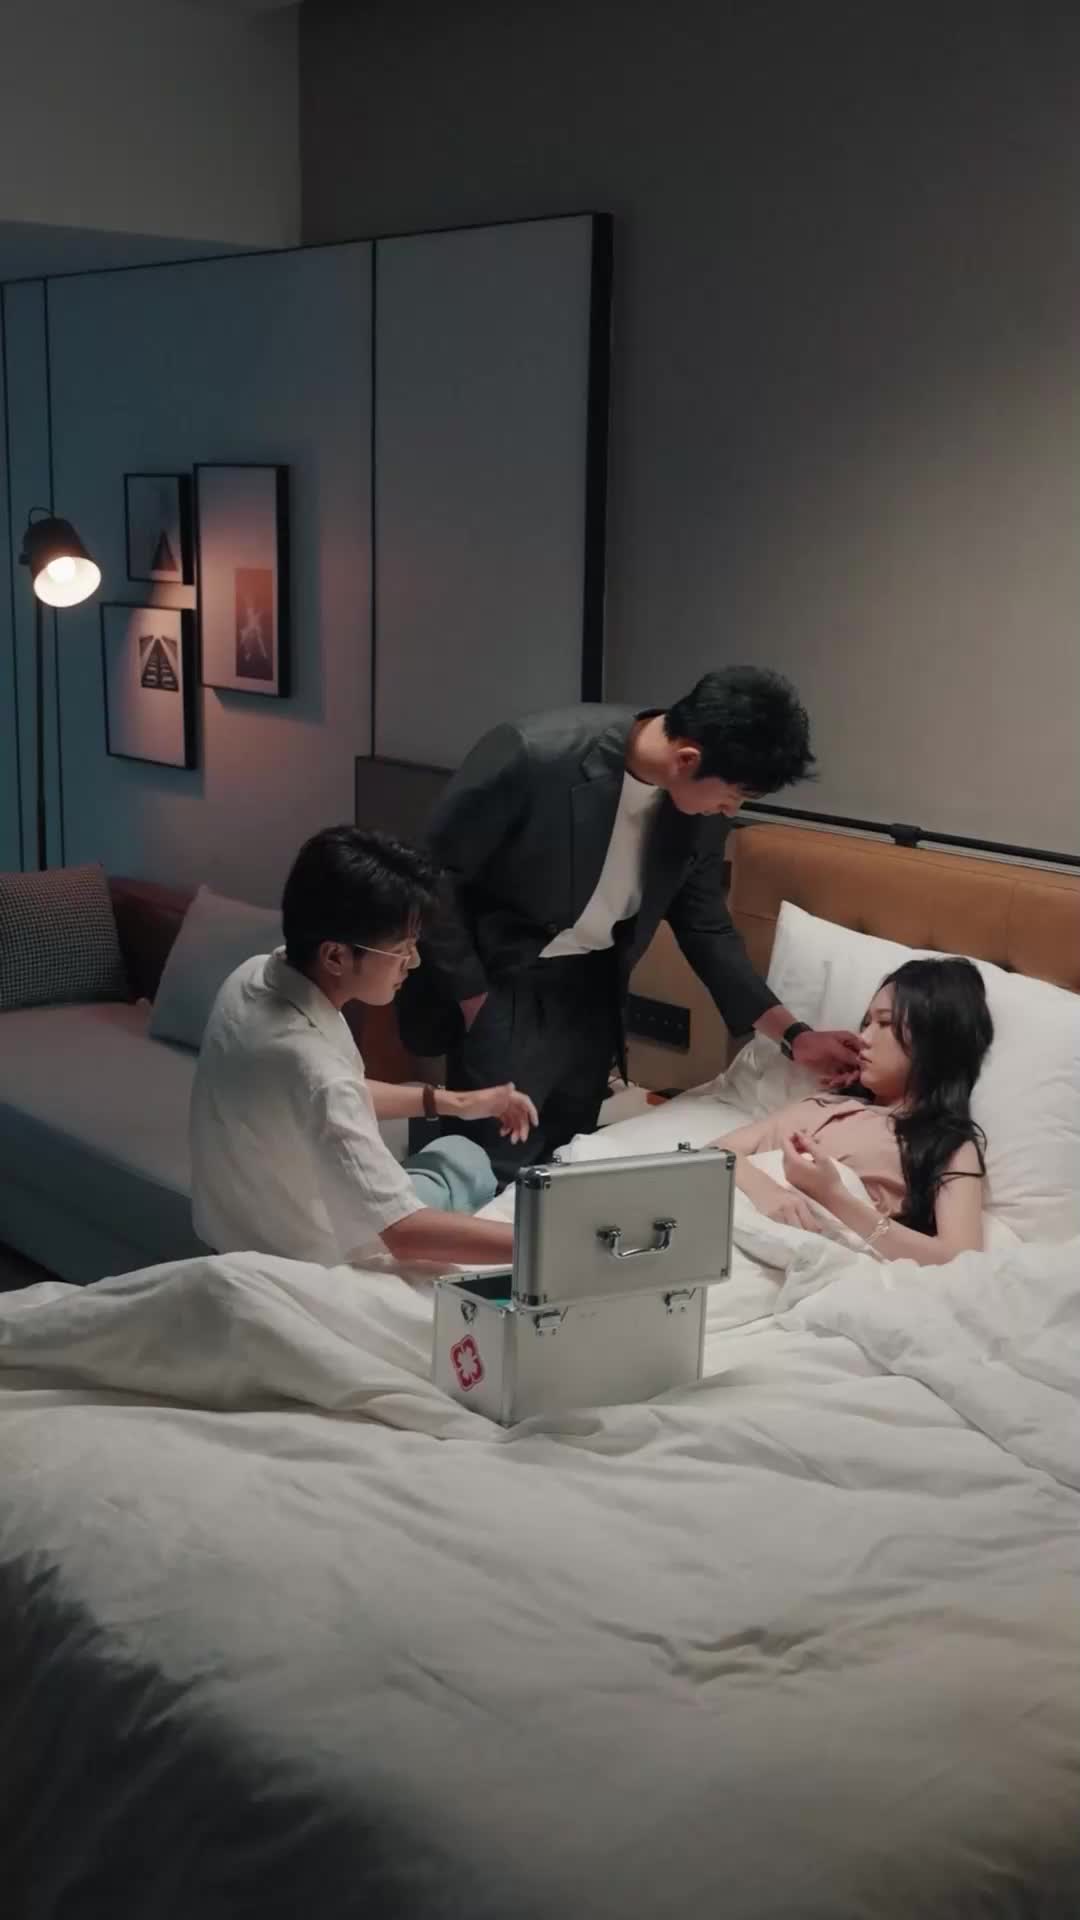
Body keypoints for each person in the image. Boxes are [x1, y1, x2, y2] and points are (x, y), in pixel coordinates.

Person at [398, 667, 863, 1180]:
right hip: (504, 981)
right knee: (488, 1168)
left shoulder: (696, 808)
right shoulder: (535, 755)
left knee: (566, 1162)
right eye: (734, 795)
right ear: (687, 759)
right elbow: (432, 875)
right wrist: (474, 1001)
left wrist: (794, 1034)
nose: (731, 810)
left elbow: (705, 926)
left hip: (594, 990)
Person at [191, 827, 537, 1269]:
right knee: (464, 1158)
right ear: (336, 956)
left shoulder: (249, 976)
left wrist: (453, 1101)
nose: (413, 963)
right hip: (314, 1259)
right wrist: (546, 1245)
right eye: (402, 950)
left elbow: (322, 1091)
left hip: (233, 1234)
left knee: (451, 1149)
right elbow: (405, 1233)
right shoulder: (315, 1068)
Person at [709, 957, 995, 1265]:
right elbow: (715, 1153)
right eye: (866, 1023)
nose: (864, 1038)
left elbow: (959, 1260)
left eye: (884, 1023)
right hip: (726, 1227)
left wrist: (834, 1195)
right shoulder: (823, 1103)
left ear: (934, 1039)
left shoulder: (944, 1143)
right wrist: (768, 1193)